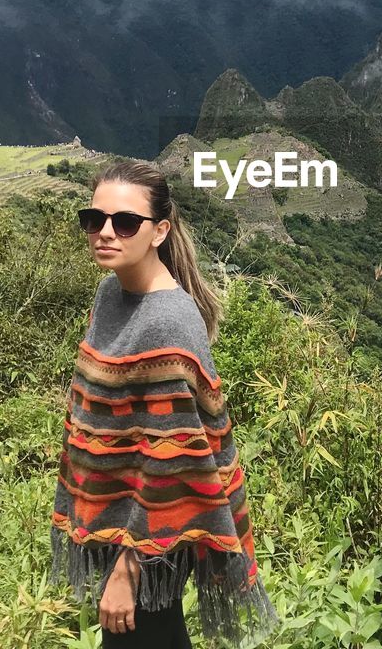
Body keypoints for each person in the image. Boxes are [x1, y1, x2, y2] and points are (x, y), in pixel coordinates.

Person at [51, 159, 280, 648]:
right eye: (94, 219)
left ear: (159, 231)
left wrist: (127, 570)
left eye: (125, 222)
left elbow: (170, 461)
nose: (105, 232)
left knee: (145, 637)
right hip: (126, 514)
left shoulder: (169, 321)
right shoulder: (110, 292)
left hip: (158, 526)